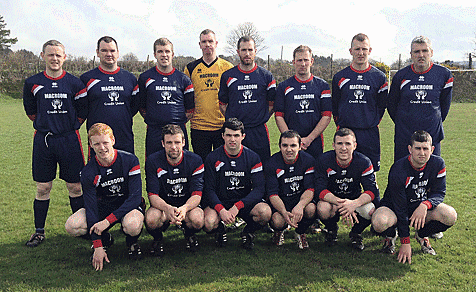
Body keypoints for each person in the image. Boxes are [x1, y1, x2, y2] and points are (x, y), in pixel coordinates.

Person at [23, 40, 86, 247]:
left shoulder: (75, 83)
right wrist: (48, 125)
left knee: (75, 187)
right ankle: (39, 232)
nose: (55, 58)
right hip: (44, 141)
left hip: (69, 139)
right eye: (50, 55)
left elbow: (82, 112)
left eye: (58, 55)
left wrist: (67, 127)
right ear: (43, 56)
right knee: (43, 187)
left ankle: (83, 228)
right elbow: (31, 112)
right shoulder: (32, 82)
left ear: (65, 57)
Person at [64, 123, 145, 271]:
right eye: (97, 144)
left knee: (132, 225)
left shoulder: (130, 160)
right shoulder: (88, 172)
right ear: (90, 145)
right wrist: (98, 246)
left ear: (113, 140)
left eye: (105, 142)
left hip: (128, 206)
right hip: (104, 208)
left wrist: (107, 221)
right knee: (72, 226)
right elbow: (91, 208)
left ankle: (132, 242)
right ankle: (105, 240)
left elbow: (134, 198)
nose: (102, 148)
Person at [371, 130, 457, 264]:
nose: (422, 153)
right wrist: (405, 242)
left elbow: (439, 193)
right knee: (379, 222)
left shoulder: (438, 164)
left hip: (420, 208)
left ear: (432, 149)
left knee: (450, 215)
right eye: (417, 148)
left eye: (425, 148)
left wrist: (425, 205)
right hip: (394, 208)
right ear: (410, 149)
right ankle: (391, 235)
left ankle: (422, 235)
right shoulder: (398, 169)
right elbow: (400, 207)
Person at [203, 118, 271, 249]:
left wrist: (238, 206)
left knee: (265, 213)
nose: (232, 139)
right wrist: (221, 210)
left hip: (243, 202)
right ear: (222, 136)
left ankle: (248, 231)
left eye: (236, 135)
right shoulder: (212, 157)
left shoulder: (253, 157)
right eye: (228, 135)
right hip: (221, 202)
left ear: (243, 136)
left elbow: (259, 189)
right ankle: (219, 230)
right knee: (208, 223)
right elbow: (209, 189)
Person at [387, 36, 453, 162]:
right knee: (402, 174)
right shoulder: (401, 76)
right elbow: (391, 105)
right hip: (405, 136)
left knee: (432, 175)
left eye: (425, 51)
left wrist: (432, 121)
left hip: (432, 135)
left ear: (431, 53)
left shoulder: (444, 75)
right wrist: (404, 122)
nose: (421, 55)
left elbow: (444, 107)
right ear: (411, 54)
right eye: (417, 52)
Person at [144, 124, 204, 255]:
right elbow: (152, 195)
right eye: (169, 142)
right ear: (162, 143)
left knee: (198, 219)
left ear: (183, 142)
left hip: (187, 207)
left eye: (177, 142)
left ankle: (189, 235)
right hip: (163, 208)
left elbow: (197, 194)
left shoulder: (195, 160)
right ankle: (158, 239)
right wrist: (167, 208)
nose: (173, 147)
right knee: (151, 219)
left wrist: (184, 208)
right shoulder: (153, 161)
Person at [315, 128, 380, 251]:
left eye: (348, 144)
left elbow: (372, 191)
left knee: (370, 210)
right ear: (333, 145)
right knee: (322, 208)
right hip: (333, 201)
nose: (343, 148)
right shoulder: (323, 160)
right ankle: (331, 230)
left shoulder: (364, 162)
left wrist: (353, 204)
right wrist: (343, 203)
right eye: (339, 143)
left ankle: (356, 233)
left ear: (354, 146)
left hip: (354, 199)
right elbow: (320, 190)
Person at [331, 33, 388, 172]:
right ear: (351, 51)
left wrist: (370, 121)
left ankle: (373, 195)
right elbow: (335, 106)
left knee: (371, 172)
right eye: (357, 49)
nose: (361, 53)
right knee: (346, 172)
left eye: (364, 49)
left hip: (369, 133)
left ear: (370, 50)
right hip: (346, 131)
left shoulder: (379, 78)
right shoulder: (340, 77)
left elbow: (381, 107)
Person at [78, 36, 139, 158]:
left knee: (126, 173)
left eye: (112, 50)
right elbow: (81, 108)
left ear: (118, 53)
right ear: (97, 53)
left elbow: (134, 106)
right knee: (98, 175)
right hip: (98, 141)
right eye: (104, 50)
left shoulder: (130, 78)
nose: (109, 54)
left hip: (124, 137)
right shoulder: (86, 79)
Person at [218, 36, 276, 163]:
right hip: (235, 132)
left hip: (258, 131)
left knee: (262, 168)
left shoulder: (266, 76)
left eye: (250, 50)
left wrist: (260, 118)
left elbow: (272, 105)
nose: (247, 54)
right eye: (243, 50)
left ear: (255, 51)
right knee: (236, 169)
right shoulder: (228, 76)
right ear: (238, 52)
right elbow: (222, 105)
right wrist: (234, 121)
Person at [138, 38, 195, 157]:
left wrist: (175, 121)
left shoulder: (183, 79)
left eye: (167, 51)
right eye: (160, 52)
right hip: (155, 132)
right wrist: (156, 119)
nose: (164, 55)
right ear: (155, 54)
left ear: (172, 54)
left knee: (181, 167)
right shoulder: (145, 78)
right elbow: (142, 107)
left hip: (178, 132)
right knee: (153, 167)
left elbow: (190, 110)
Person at [184, 29, 234, 162]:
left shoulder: (227, 67)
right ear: (199, 44)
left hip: (222, 126)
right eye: (204, 41)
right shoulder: (190, 68)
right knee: (201, 166)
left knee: (222, 166)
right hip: (199, 127)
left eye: (210, 41)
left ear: (216, 43)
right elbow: (186, 98)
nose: (207, 44)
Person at [275, 45, 332, 160]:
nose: (303, 64)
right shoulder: (283, 87)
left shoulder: (322, 86)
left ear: (311, 61)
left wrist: (309, 139)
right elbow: (279, 116)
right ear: (293, 62)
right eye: (299, 60)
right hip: (291, 146)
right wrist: (292, 141)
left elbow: (326, 116)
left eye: (306, 60)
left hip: (314, 142)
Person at [265, 130, 316, 249]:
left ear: (299, 147)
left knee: (311, 209)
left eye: (293, 145)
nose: (289, 149)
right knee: (277, 220)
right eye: (285, 145)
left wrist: (300, 205)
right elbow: (272, 194)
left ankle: (300, 232)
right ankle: (279, 231)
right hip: (281, 203)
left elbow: (310, 189)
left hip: (299, 201)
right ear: (279, 146)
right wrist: (283, 212)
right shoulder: (272, 163)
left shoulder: (308, 160)